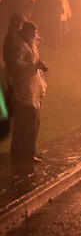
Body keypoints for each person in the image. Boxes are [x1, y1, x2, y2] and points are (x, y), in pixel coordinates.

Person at [8, 22, 47, 163]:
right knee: (29, 123)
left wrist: (38, 64)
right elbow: (16, 64)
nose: (35, 35)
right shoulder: (20, 45)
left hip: (31, 86)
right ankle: (27, 154)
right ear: (28, 31)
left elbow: (32, 61)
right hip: (24, 87)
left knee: (28, 122)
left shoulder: (28, 43)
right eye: (34, 32)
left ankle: (22, 151)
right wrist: (33, 65)